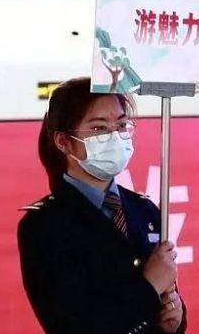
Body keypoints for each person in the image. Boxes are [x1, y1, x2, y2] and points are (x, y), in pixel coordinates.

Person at [18, 77, 187, 333]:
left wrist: (175, 319)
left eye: (121, 125)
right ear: (63, 141)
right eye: (99, 128)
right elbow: (71, 324)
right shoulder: (44, 225)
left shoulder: (144, 210)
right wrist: (149, 287)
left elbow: (167, 297)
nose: (114, 137)